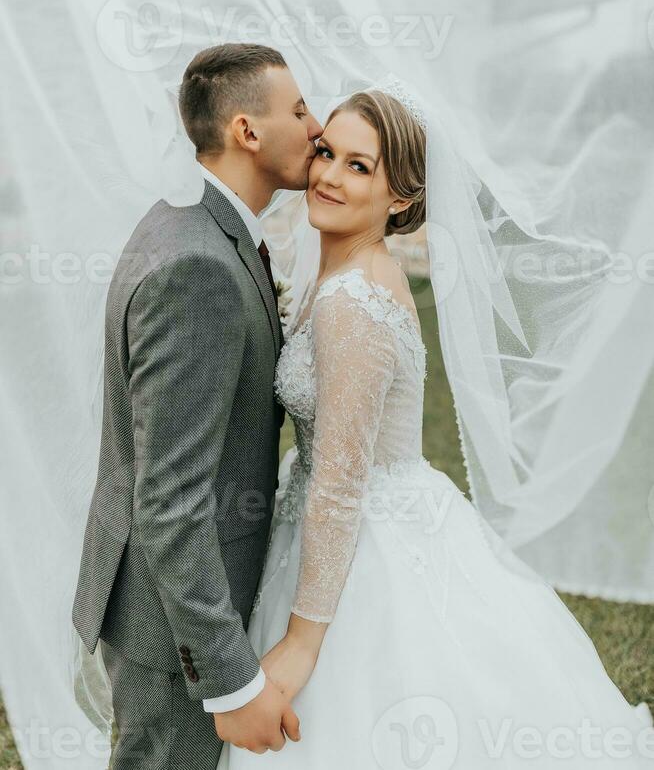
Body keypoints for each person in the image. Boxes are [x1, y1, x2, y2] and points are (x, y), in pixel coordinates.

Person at [218, 88, 653, 768]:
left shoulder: (354, 301)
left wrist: (302, 644)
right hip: (344, 520)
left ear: (400, 198)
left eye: (360, 167)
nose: (329, 174)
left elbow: (338, 478)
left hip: (367, 546)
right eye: (327, 152)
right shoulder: (343, 274)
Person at [71, 43, 323, 768]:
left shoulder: (195, 228)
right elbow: (171, 499)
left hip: (170, 602)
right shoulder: (198, 268)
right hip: (172, 625)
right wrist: (230, 680)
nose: (317, 127)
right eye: (300, 109)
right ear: (247, 130)